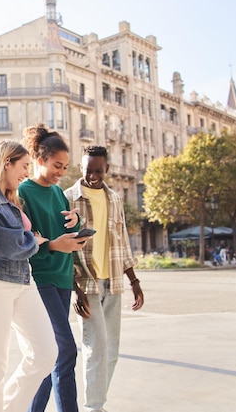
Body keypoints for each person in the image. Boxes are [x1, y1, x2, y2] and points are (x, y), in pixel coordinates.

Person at [0, 140, 57, 412]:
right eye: (24, 166)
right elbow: (2, 245)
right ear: (7, 162)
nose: (27, 173)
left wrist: (28, 240)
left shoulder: (11, 199)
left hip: (22, 280)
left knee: (45, 352)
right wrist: (33, 241)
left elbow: (17, 242)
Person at [64, 145, 144, 412]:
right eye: (88, 170)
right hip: (87, 285)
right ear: (81, 167)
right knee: (95, 348)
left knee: (111, 352)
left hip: (114, 282)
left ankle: (96, 403)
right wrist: (76, 289)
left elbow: (121, 242)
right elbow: (65, 250)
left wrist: (134, 281)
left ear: (107, 169)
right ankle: (94, 408)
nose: (93, 175)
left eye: (99, 170)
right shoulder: (68, 199)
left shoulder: (115, 199)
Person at [17, 124, 89, 412]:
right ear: (39, 158)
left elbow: (63, 231)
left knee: (49, 355)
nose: (61, 172)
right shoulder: (24, 191)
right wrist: (54, 246)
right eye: (57, 165)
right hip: (41, 278)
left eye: (65, 167)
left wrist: (76, 223)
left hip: (62, 277)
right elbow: (26, 241)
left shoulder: (59, 193)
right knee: (64, 350)